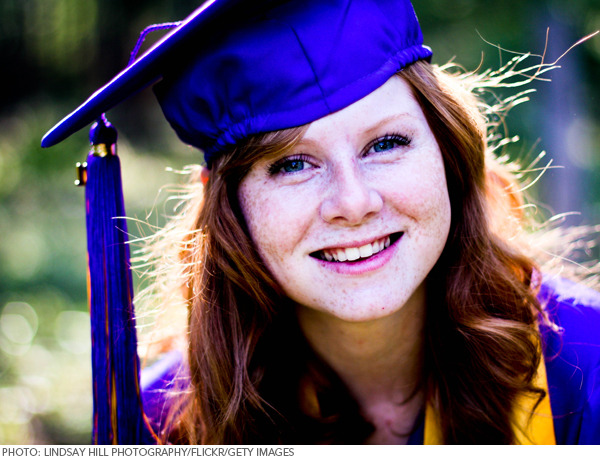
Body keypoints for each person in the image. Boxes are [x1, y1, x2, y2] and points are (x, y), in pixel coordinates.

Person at [42, 0, 600, 445]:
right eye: (291, 164)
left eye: (386, 143)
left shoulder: (583, 368)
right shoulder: (169, 420)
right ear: (229, 209)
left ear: (449, 155)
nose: (352, 203)